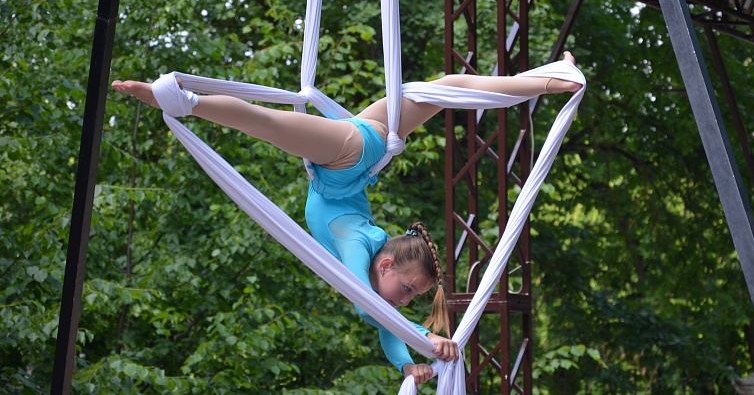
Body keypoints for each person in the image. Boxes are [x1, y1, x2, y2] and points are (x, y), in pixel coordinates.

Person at [111, 51, 584, 384]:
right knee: (265, 123)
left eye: (410, 296)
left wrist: (409, 362)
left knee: (447, 88)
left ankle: (551, 77)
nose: (405, 301)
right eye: (409, 290)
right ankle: (183, 101)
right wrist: (426, 338)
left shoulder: (369, 249)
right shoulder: (358, 244)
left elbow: (376, 316)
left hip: (365, 141)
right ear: (386, 265)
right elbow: (370, 306)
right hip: (346, 155)